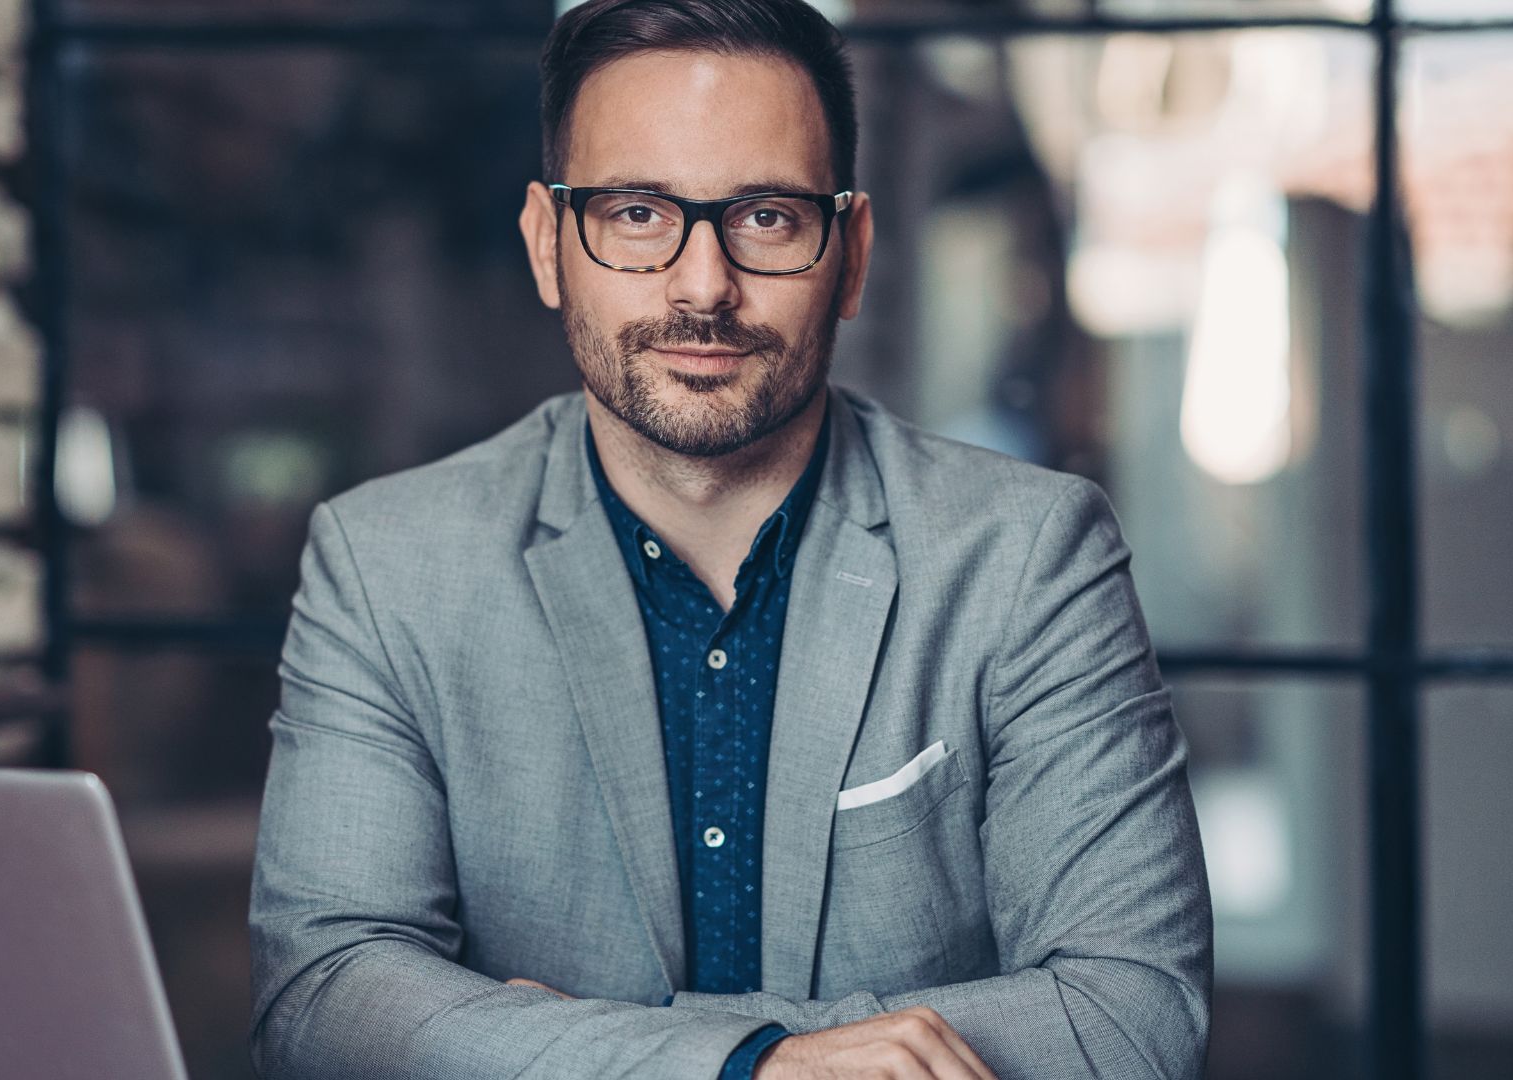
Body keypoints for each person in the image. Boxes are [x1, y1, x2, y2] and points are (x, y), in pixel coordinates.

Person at [248, 1, 1212, 1077]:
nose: (704, 286)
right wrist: (746, 1063)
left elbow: (1132, 1017)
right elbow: (326, 999)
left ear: (849, 256)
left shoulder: (1031, 556)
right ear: (547, 245)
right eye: (635, 213)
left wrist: (566, 1043)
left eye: (766, 217)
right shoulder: (386, 565)